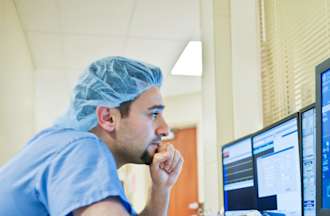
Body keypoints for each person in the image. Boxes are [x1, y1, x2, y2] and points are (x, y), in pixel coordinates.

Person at [0, 56, 184, 216]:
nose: (165, 129)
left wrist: (161, 188)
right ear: (108, 118)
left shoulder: (62, 145)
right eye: (153, 114)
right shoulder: (81, 148)